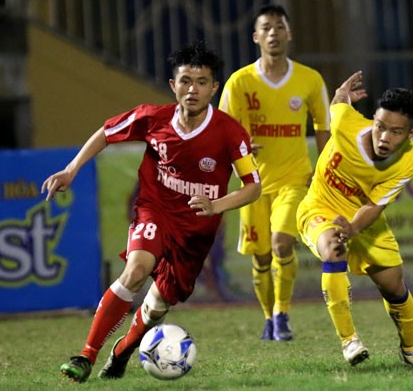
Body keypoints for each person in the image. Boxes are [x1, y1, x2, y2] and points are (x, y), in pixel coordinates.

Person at [42, 42, 261, 383]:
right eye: (186, 81)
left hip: (196, 233)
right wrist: (71, 170)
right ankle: (86, 355)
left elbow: (253, 186)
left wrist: (216, 206)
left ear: (214, 88)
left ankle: (122, 352)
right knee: (136, 270)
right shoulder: (152, 118)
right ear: (173, 85)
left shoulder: (230, 132)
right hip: (155, 211)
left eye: (202, 82)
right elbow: (106, 133)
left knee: (156, 307)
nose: (193, 89)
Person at [296, 71, 413, 371]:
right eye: (380, 126)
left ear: (410, 135)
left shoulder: (409, 160)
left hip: (364, 221)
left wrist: (354, 227)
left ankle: (412, 349)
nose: (385, 137)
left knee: (394, 287)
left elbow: (375, 204)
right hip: (319, 207)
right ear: (372, 118)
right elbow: (337, 104)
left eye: (396, 132)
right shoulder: (345, 123)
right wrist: (342, 92)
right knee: (333, 247)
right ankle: (349, 340)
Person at [219, 4, 330, 341]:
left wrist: (324, 173)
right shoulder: (240, 82)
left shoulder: (310, 80)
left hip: (295, 179)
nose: (273, 33)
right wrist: (238, 149)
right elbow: (221, 130)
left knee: (283, 243)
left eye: (279, 26)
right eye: (266, 28)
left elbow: (324, 128)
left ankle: (282, 315)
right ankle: (268, 318)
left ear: (289, 33)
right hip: (252, 184)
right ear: (256, 37)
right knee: (262, 256)